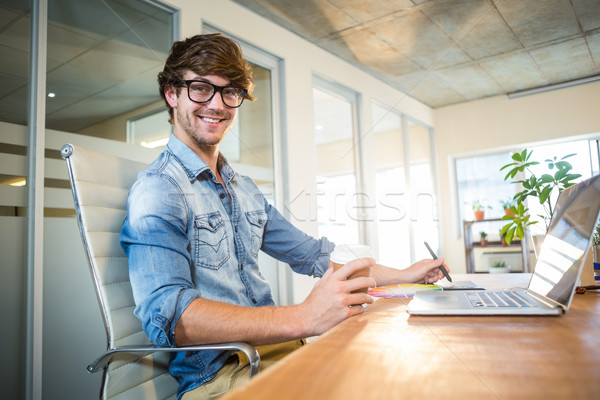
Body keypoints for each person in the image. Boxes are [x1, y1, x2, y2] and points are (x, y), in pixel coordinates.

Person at [120, 33, 449, 400]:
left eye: (230, 92)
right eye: (201, 88)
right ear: (172, 94)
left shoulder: (242, 189)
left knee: (397, 373)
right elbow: (172, 318)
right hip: (222, 378)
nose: (217, 104)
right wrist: (304, 317)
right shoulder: (158, 189)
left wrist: (406, 275)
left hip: (280, 353)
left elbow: (314, 255)